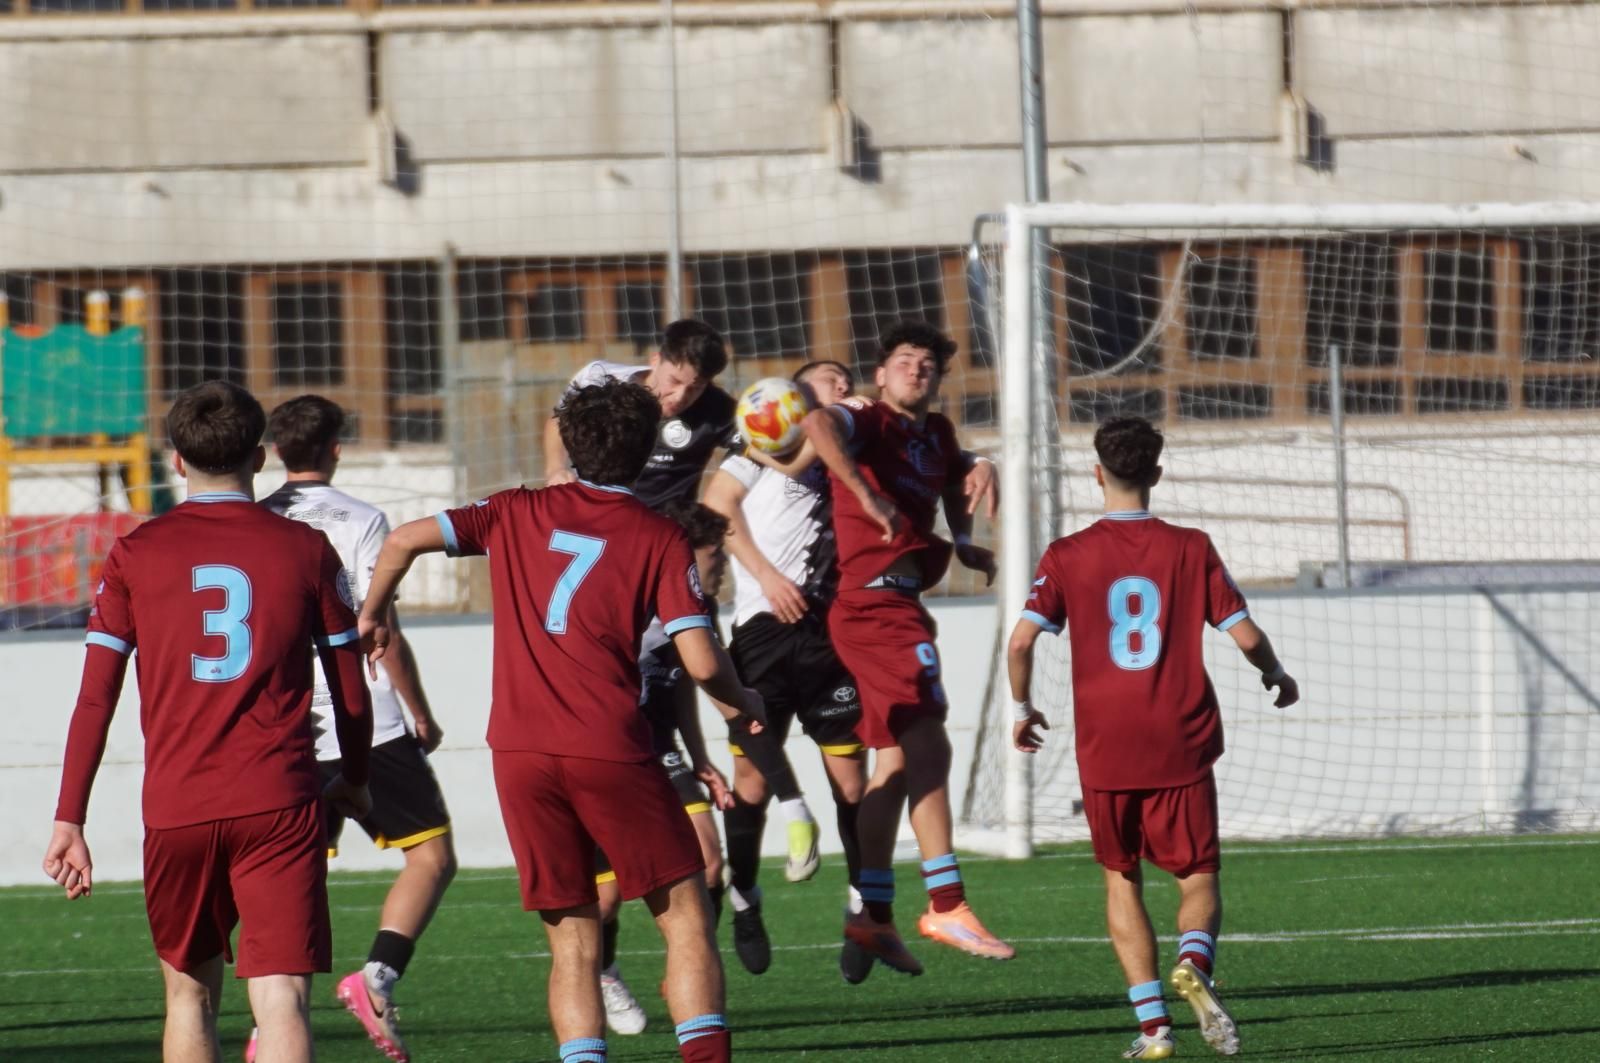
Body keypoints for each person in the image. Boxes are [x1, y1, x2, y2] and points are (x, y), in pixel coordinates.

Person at [358, 378, 766, 1063]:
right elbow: (699, 658)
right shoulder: (658, 535)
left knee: (572, 940)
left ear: (571, 445)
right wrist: (742, 698)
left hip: (519, 752)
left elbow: (400, 539)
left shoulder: (516, 509)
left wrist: (372, 613)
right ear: (642, 454)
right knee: (687, 918)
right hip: (606, 742)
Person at [43, 380, 373, 1063]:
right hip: (279, 798)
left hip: (178, 806)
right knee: (281, 998)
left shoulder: (134, 553)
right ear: (259, 457)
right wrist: (359, 776)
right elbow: (351, 686)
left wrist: (69, 817)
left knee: (188, 996)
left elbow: (94, 698)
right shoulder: (304, 548)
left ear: (175, 460)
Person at [1005, 416, 1300, 1060]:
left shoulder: (1067, 554)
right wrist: (1275, 674)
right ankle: (1195, 959)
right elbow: (1245, 635)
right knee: (1197, 875)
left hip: (1106, 744)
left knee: (1121, 877)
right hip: (1180, 736)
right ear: (1156, 474)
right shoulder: (1190, 547)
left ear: (1097, 473)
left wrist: (1023, 707)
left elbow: (1022, 641)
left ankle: (1153, 1030)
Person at [801, 321, 1013, 977]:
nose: (917, 370)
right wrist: (864, 495)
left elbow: (955, 474)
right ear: (881, 373)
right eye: (904, 360)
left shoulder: (937, 433)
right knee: (930, 740)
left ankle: (872, 915)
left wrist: (966, 536)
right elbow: (814, 426)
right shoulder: (865, 418)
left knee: (892, 766)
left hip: (895, 602)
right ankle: (946, 901)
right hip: (873, 606)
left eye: (929, 363)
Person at [259, 395, 456, 1063]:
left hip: (288, 721)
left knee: (297, 876)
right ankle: (376, 977)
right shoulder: (363, 519)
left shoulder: (260, 520)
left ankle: (270, 1025)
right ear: (335, 446)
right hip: (364, 714)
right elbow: (378, 627)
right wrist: (420, 708)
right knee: (431, 855)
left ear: (277, 451)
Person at [701, 359, 869, 978]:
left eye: (848, 379)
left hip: (833, 635)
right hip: (763, 630)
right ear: (794, 398)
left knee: (852, 782)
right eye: (829, 379)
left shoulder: (853, 444)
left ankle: (862, 906)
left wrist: (980, 461)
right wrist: (769, 578)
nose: (843, 386)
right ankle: (745, 897)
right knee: (752, 784)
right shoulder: (758, 447)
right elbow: (716, 508)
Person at [594, 499, 739, 1037]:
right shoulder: (629, 599)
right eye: (714, 555)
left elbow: (683, 685)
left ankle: (687, 964)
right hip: (613, 751)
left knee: (708, 863)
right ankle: (605, 971)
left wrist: (701, 756)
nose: (722, 564)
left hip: (663, 746)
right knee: (605, 900)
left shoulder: (701, 606)